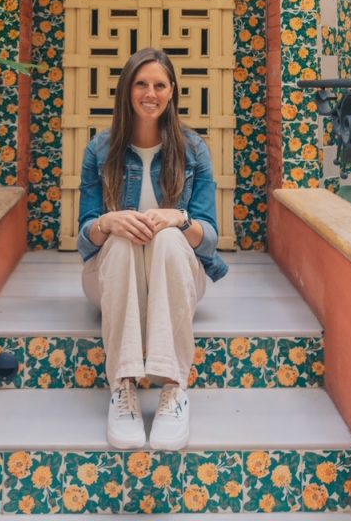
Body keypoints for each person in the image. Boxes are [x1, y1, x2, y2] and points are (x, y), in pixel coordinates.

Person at [77, 47, 228, 451]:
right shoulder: (99, 149)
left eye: (159, 85)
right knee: (123, 239)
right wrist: (107, 223)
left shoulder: (194, 150)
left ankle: (173, 387)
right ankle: (122, 388)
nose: (150, 93)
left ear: (172, 91)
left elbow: (210, 237)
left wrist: (178, 219)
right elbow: (84, 237)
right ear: (127, 91)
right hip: (112, 277)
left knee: (166, 236)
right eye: (141, 84)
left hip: (176, 275)